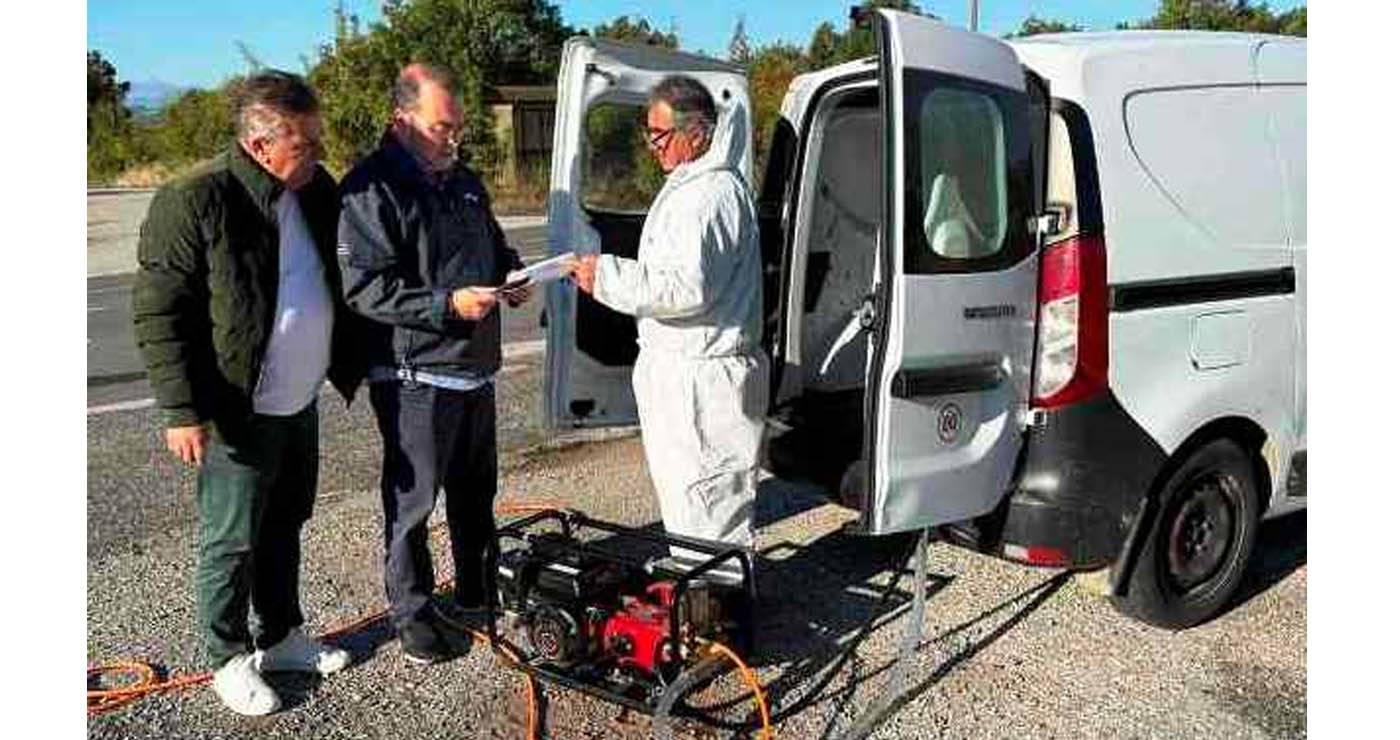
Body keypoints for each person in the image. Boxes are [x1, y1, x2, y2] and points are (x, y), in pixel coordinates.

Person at [132, 70, 358, 716]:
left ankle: (281, 635)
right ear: (261, 145)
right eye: (306, 144)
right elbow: (159, 313)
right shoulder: (196, 199)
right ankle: (227, 657)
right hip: (237, 408)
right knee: (231, 539)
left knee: (286, 522)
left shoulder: (313, 193)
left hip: (298, 401)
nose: (319, 156)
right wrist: (181, 410)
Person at [337, 63, 529, 665]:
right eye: (442, 127)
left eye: (459, 129)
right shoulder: (371, 190)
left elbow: (494, 248)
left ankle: (476, 589)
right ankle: (414, 618)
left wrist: (513, 274)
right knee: (413, 505)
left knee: (476, 493)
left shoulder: (464, 180)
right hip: (415, 376)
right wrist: (447, 304)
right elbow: (364, 289)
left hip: (474, 370)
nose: (454, 139)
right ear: (403, 121)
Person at [571, 75, 767, 563]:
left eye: (659, 135)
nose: (651, 145)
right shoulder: (694, 185)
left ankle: (715, 612)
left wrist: (607, 277)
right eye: (648, 133)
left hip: (703, 380)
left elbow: (685, 287)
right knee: (691, 500)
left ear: (696, 133)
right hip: (689, 370)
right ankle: (698, 595)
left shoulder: (709, 196)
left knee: (710, 505)